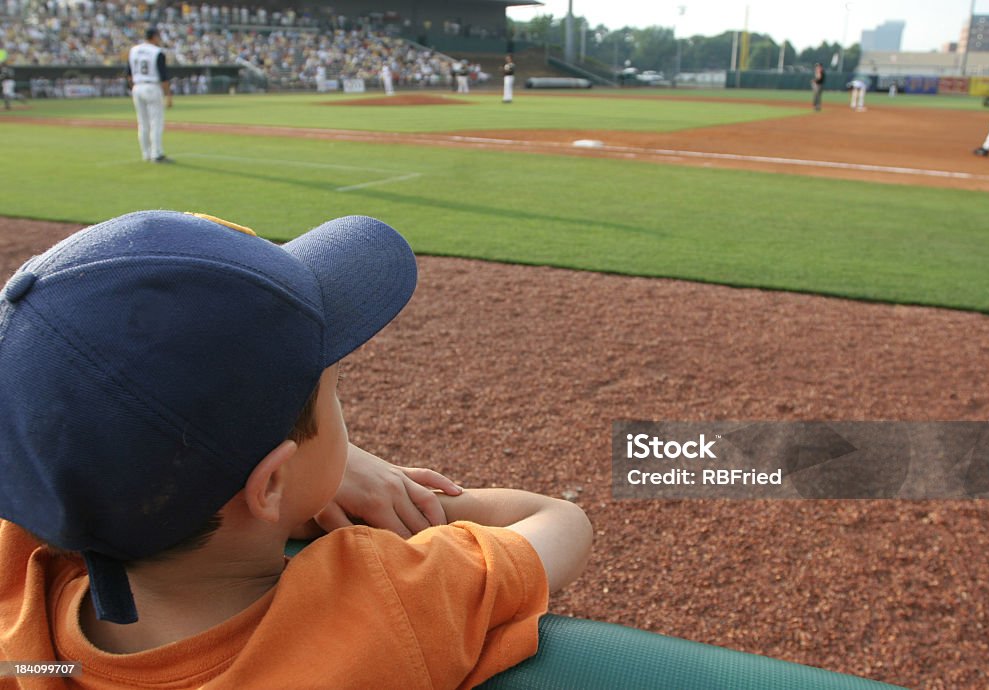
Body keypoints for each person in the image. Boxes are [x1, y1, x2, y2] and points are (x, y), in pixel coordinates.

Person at [0, 211, 592, 688]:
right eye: (337, 393)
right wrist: (338, 477)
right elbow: (559, 521)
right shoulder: (380, 607)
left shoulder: (24, 610)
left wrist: (281, 469)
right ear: (270, 484)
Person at [128, 28, 172, 163]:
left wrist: (134, 87)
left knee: (142, 123)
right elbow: (163, 77)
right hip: (152, 86)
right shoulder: (157, 52)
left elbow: (129, 74)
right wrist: (168, 95)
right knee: (156, 122)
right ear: (154, 37)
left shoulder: (133, 50)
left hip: (137, 86)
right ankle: (156, 153)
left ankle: (146, 153)